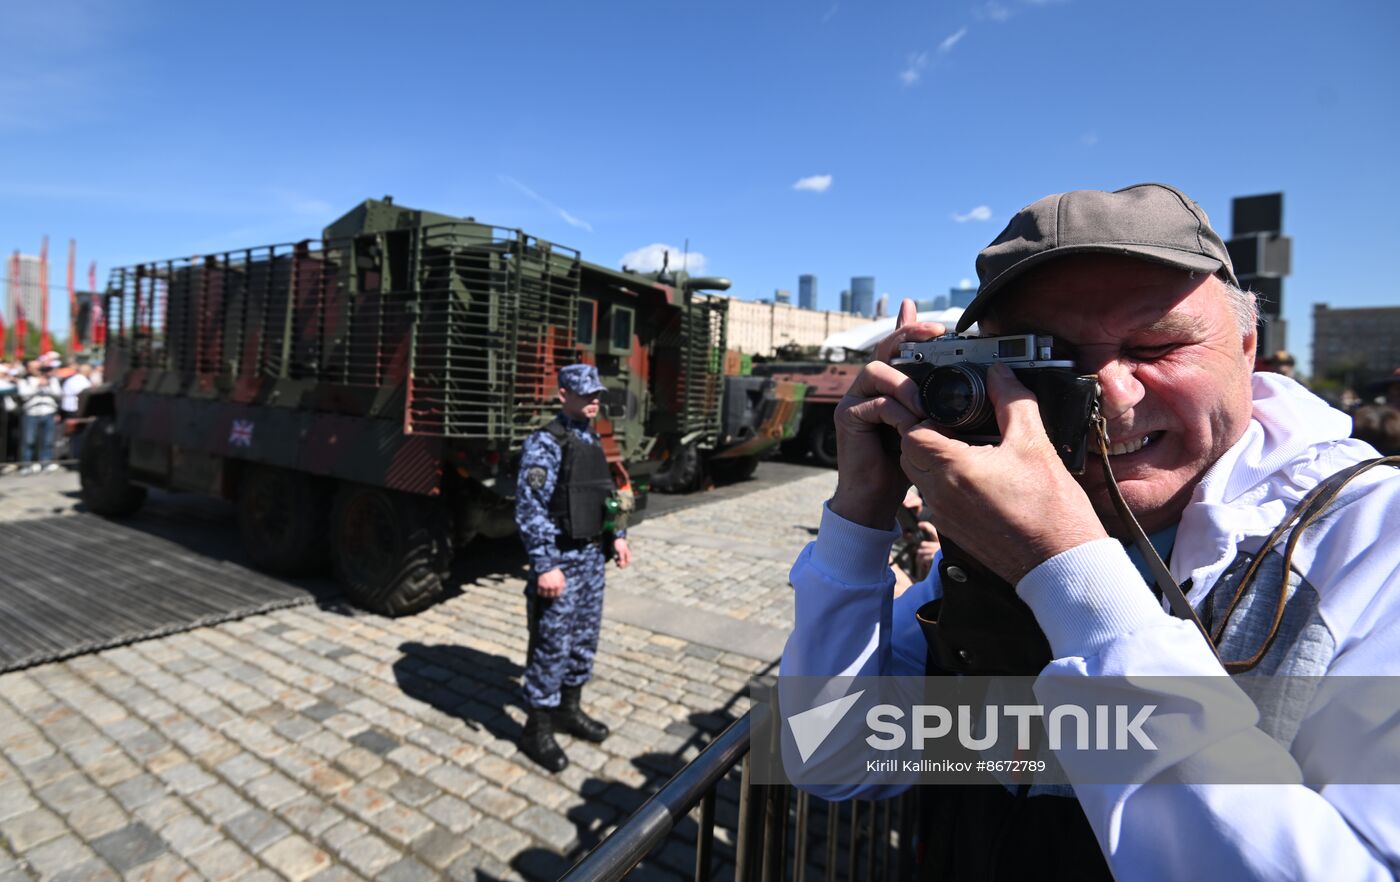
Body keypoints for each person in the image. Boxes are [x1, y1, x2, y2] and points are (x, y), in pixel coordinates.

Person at [782, 183, 1400, 880]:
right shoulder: (993, 535)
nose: (1111, 394)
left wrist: (1069, 571)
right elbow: (834, 753)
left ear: (1248, 348)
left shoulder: (1371, 540)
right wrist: (860, 512)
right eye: (1053, 358)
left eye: (1156, 345)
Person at [515, 363, 633, 772]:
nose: (594, 400)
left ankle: (570, 708)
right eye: (586, 394)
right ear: (563, 394)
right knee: (551, 645)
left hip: (590, 561)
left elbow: (609, 494)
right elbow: (530, 509)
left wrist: (618, 534)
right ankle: (537, 727)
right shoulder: (544, 444)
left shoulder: (592, 439)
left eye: (597, 393)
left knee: (583, 640)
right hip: (561, 562)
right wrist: (545, 564)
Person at [16, 359, 62, 474]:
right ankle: (26, 465)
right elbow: (23, 394)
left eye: (39, 367)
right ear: (29, 369)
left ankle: (45, 463)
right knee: (29, 440)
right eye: (34, 367)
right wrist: (37, 384)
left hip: (48, 413)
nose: (38, 370)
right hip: (31, 414)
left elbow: (58, 393)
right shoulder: (24, 380)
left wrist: (48, 384)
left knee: (48, 440)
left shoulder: (51, 379)